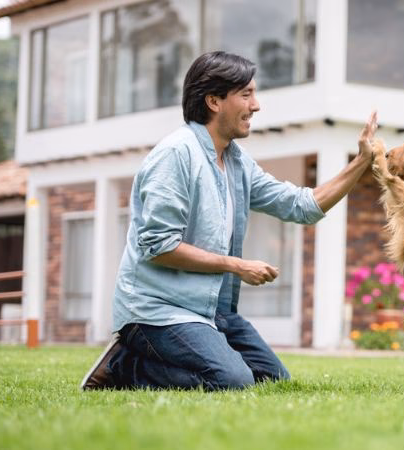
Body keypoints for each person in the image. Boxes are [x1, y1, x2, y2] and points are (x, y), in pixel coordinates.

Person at [80, 51, 377, 390]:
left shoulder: (237, 162)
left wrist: (361, 162)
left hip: (212, 311)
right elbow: (159, 247)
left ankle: (154, 360)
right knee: (232, 380)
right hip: (156, 311)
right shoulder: (175, 155)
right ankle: (124, 366)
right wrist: (236, 265)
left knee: (271, 380)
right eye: (246, 94)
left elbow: (301, 206)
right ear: (214, 101)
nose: (256, 105)